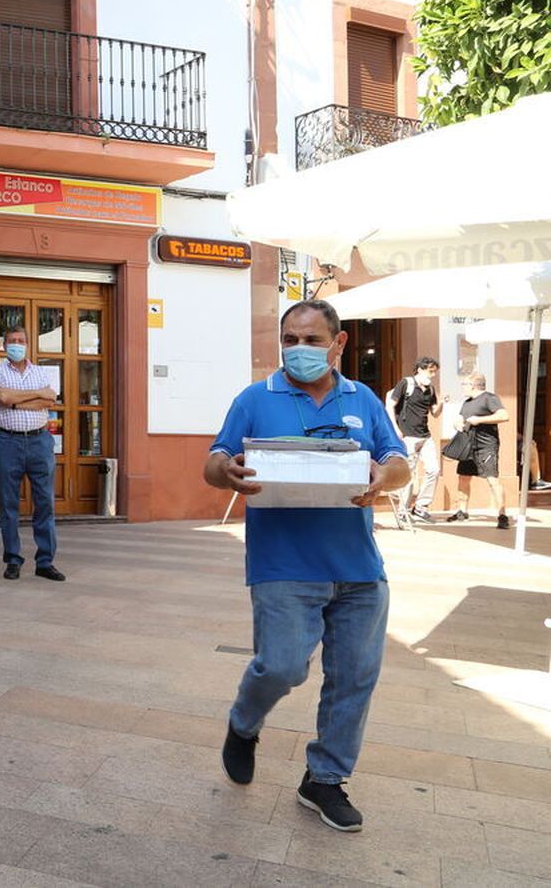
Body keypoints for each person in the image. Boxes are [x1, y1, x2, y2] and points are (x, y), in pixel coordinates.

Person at [205, 299, 410, 833]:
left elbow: (399, 463)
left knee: (354, 679)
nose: (299, 350)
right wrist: (228, 470)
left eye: (312, 341)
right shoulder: (256, 398)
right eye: (290, 340)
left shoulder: (361, 398)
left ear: (338, 344)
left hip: (360, 569)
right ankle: (243, 724)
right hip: (283, 564)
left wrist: (381, 478)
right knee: (282, 666)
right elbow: (213, 461)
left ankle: (325, 780)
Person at [0, 326, 64, 581]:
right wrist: (33, 395)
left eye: (21, 341)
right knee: (8, 505)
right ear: (3, 345)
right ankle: (13, 560)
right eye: (11, 341)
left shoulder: (42, 372)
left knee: (45, 503)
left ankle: (45, 562)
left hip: (40, 441)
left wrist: (17, 399)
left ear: (28, 344)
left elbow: (49, 400)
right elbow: (2, 398)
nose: (16, 345)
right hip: (7, 442)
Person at [446, 371, 512, 529]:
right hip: (468, 446)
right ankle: (462, 511)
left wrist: (479, 420)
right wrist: (457, 422)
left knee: (492, 479)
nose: (463, 388)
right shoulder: (467, 402)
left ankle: (502, 515)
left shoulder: (490, 398)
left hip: (486, 446)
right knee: (463, 477)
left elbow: (504, 415)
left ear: (473, 385)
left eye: (465, 385)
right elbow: (460, 417)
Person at [385, 356, 444, 523]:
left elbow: (435, 413)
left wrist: (442, 403)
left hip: (425, 435)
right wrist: (395, 429)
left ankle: (420, 507)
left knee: (434, 470)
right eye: (430, 371)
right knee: (408, 473)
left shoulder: (430, 390)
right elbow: (390, 405)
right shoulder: (406, 383)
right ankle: (403, 510)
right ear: (420, 369)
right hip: (407, 435)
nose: (432, 375)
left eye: (434, 372)